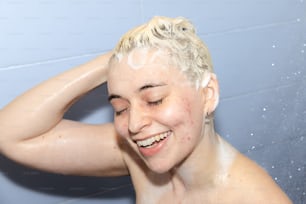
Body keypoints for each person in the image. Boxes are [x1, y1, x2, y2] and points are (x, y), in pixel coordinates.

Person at [0, 16, 292, 204]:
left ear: (208, 94)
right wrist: (115, 63)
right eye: (120, 107)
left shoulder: (253, 198)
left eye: (154, 100)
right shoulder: (139, 156)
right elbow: (10, 135)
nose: (135, 124)